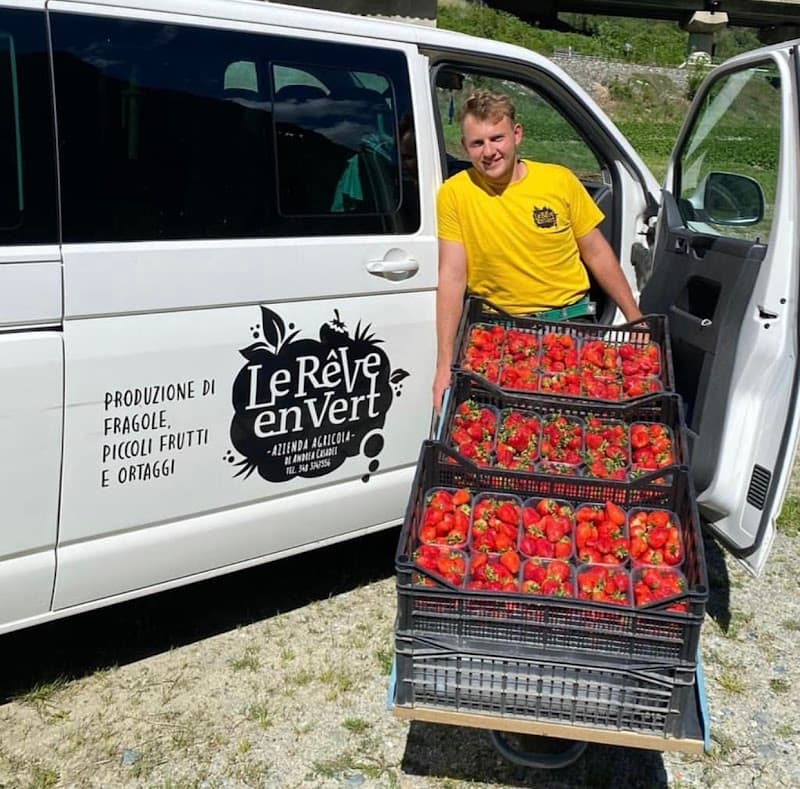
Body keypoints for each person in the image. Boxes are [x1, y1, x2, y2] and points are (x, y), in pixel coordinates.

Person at [433, 90, 643, 411]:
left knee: (574, 432)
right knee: (508, 441)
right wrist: (444, 364)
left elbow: (597, 253)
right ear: (464, 147)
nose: (489, 151)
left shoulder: (559, 180)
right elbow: (452, 275)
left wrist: (634, 317)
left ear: (517, 134)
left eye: (497, 138)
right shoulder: (454, 194)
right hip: (499, 334)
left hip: (571, 326)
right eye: (477, 143)